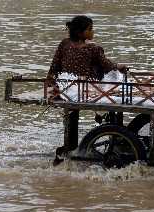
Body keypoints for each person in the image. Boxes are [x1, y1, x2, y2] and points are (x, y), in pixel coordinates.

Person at [46, 15, 127, 165]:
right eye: (90, 29)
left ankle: (70, 146)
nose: (93, 32)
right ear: (80, 33)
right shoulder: (93, 48)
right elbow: (107, 65)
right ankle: (114, 134)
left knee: (72, 115)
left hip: (66, 89)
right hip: (86, 89)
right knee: (111, 80)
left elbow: (54, 67)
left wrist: (51, 85)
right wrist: (119, 66)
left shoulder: (64, 44)